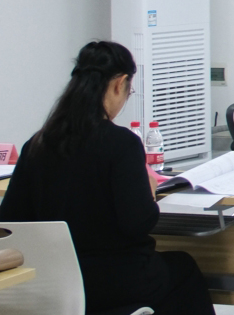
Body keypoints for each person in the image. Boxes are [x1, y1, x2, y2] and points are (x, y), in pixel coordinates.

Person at [0, 41, 214, 314]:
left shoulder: (37, 144)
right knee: (183, 269)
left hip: (52, 285)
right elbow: (138, 223)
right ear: (119, 83)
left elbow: (10, 221)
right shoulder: (121, 143)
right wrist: (149, 194)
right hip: (116, 282)